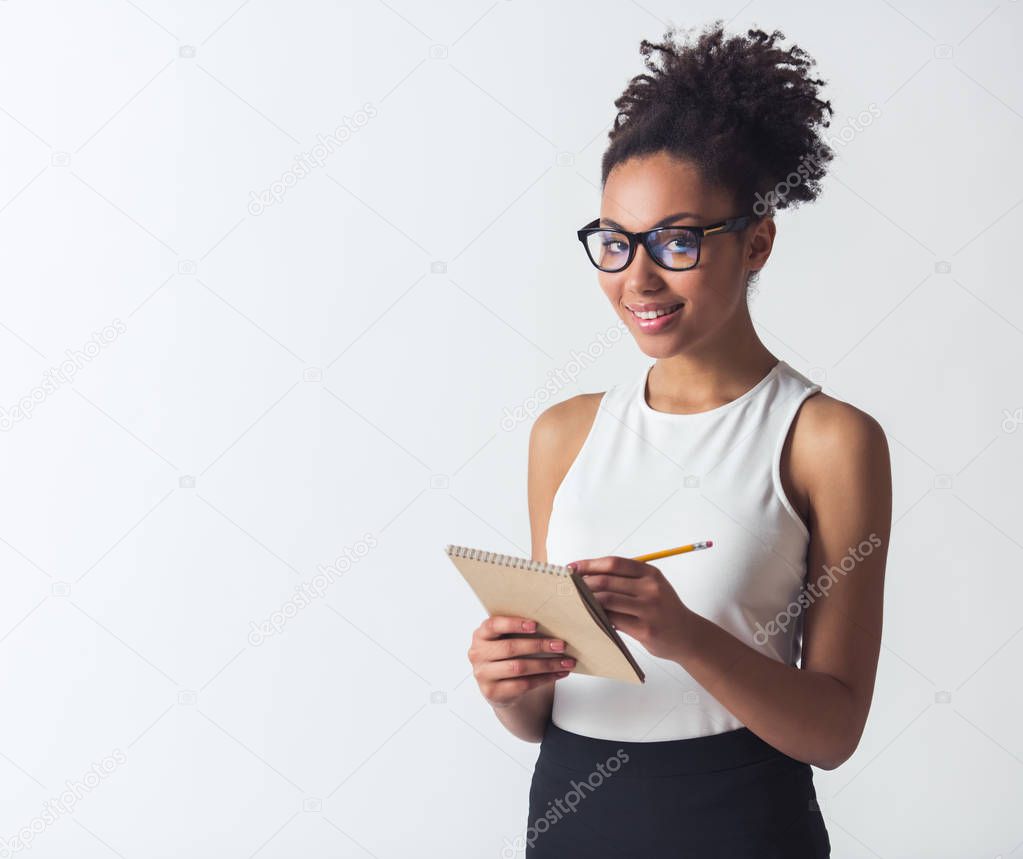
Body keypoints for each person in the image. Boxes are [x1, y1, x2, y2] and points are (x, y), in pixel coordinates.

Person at [466, 20, 891, 858]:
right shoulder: (564, 433)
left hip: (740, 824)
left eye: (677, 239)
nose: (638, 278)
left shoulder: (825, 439)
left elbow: (833, 729)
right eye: (616, 243)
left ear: (756, 241)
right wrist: (509, 683)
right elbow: (546, 713)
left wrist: (684, 632)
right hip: (571, 819)